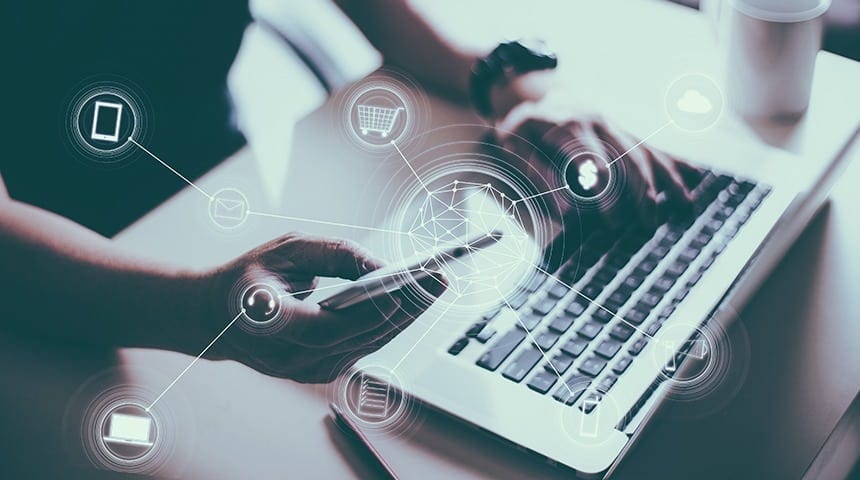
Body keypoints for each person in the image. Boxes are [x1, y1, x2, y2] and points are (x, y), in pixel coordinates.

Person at [0, 0, 699, 384]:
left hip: (217, 202)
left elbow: (388, 16)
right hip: (59, 301)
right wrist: (201, 310)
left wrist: (512, 90)